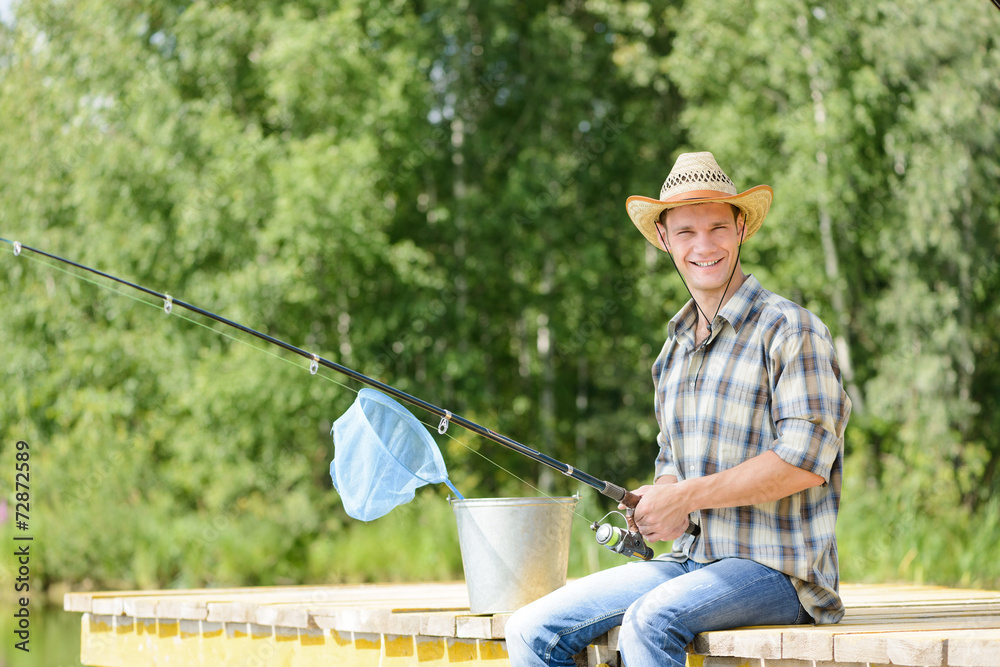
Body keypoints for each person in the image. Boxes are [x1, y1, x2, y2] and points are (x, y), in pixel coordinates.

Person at [504, 151, 852, 667]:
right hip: (690, 563)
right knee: (531, 628)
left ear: (741, 229)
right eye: (686, 231)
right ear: (664, 239)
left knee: (650, 621)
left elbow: (803, 464)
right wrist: (658, 501)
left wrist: (687, 495)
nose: (704, 245)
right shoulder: (672, 352)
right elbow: (672, 466)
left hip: (782, 575)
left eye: (717, 227)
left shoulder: (790, 330)